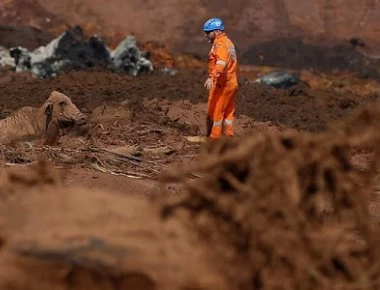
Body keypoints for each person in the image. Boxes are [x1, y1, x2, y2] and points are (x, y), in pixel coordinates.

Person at [203, 17, 238, 139]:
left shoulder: (221, 44)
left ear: (216, 31)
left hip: (224, 83)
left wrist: (212, 77)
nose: (206, 35)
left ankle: (214, 139)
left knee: (217, 111)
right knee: (228, 111)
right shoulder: (228, 42)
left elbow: (221, 63)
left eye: (208, 32)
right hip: (231, 81)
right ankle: (228, 136)